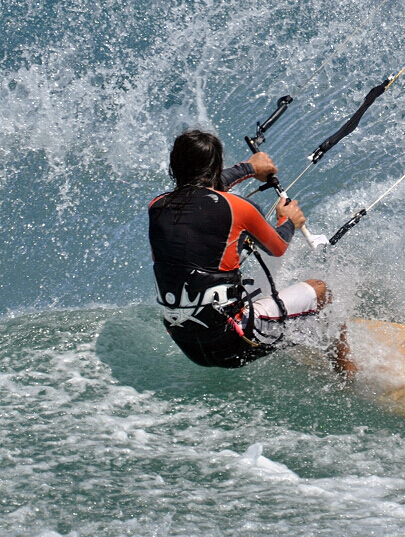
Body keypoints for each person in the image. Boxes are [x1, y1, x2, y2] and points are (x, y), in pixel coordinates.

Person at [148, 129, 352, 372]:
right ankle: (347, 374)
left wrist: (248, 168)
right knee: (321, 291)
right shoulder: (238, 208)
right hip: (234, 343)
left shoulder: (157, 207)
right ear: (216, 168)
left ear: (174, 167)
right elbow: (277, 246)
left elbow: (198, 190)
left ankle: (297, 330)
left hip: (188, 345)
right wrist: (288, 221)